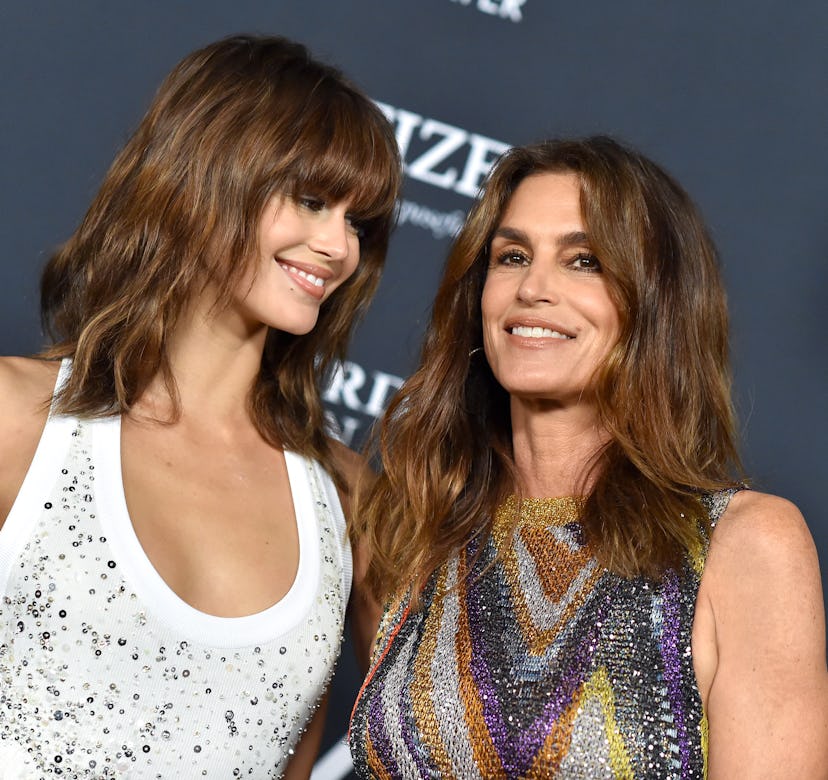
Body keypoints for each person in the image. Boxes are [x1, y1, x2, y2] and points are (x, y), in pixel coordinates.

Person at [349, 137, 828, 778]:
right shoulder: (416, 528)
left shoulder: (744, 544)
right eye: (513, 256)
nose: (533, 288)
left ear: (655, 304)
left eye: (584, 261)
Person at [0, 35, 400, 778]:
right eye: (312, 201)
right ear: (208, 175)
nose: (337, 246)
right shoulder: (15, 418)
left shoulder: (346, 500)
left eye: (358, 222)